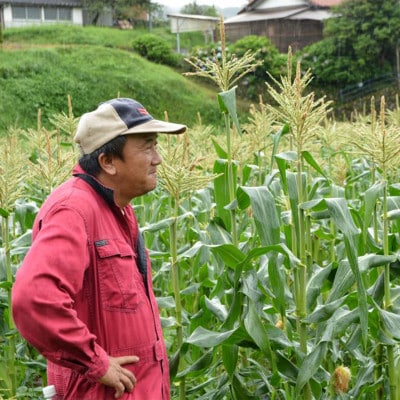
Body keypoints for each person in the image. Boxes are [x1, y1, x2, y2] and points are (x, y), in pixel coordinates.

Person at [12, 98, 186, 400]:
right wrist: (95, 362)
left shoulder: (118, 209)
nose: (157, 158)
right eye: (147, 147)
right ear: (108, 161)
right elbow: (34, 299)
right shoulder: (74, 210)